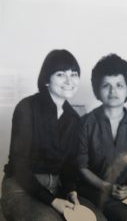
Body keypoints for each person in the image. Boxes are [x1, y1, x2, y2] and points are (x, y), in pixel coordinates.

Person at [1, 49, 105, 221]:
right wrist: (52, 201)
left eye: (73, 74)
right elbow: (19, 166)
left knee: (98, 218)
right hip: (21, 188)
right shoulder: (26, 107)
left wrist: (71, 191)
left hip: (57, 188)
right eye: (60, 74)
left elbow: (69, 165)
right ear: (46, 79)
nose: (69, 81)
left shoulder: (73, 118)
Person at [77, 54, 127, 221]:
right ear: (98, 91)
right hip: (93, 193)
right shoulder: (85, 124)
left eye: (119, 85)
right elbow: (81, 166)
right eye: (106, 85)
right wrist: (106, 186)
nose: (113, 91)